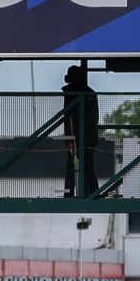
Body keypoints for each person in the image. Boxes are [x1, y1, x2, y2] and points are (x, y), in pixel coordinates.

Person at [62, 65, 99, 197]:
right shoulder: (91, 93)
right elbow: (96, 117)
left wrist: (70, 138)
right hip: (90, 137)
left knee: (71, 166)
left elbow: (68, 117)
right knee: (88, 167)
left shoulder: (70, 93)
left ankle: (69, 193)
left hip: (75, 138)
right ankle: (93, 193)